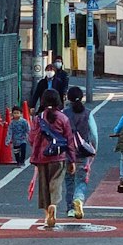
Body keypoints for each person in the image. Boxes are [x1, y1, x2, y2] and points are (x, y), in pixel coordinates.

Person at [29, 90, 75, 228]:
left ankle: (46, 214)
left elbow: (32, 138)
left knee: (43, 187)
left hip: (42, 157)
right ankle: (53, 205)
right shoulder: (63, 118)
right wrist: (72, 159)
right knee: (56, 183)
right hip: (58, 157)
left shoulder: (38, 118)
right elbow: (69, 140)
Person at [63, 85, 98, 219]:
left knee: (69, 180)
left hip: (67, 152)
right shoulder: (87, 113)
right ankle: (79, 198)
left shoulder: (64, 113)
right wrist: (94, 149)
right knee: (81, 180)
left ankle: (70, 209)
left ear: (68, 98)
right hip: (82, 152)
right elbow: (94, 134)